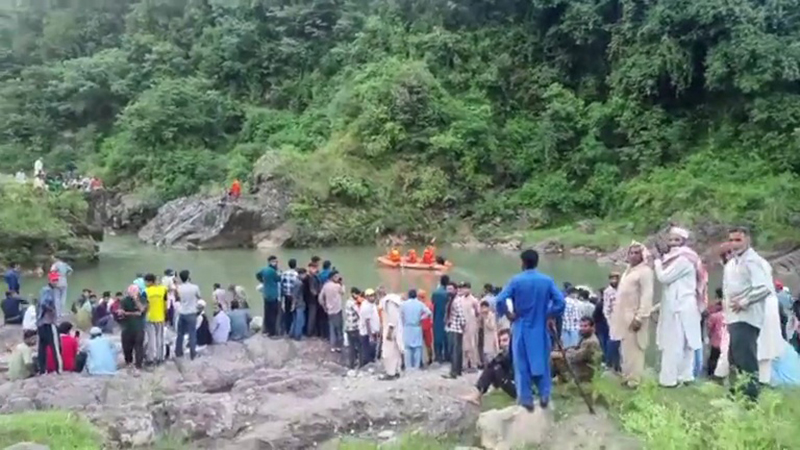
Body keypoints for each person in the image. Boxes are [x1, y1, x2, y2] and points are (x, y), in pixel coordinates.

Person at [494, 249, 566, 411]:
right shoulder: (547, 281)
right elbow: (560, 302)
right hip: (541, 327)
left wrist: (508, 314)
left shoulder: (516, 281)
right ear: (537, 262)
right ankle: (544, 394)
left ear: (523, 263)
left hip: (521, 326)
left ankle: (525, 397)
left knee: (522, 363)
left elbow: (499, 300)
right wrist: (549, 313)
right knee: (542, 361)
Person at [653, 227, 704, 387]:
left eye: (677, 240)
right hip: (679, 304)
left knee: (675, 343)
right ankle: (685, 376)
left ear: (684, 242)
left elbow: (663, 277)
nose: (673, 244)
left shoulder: (684, 259)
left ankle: (669, 380)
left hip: (680, 306)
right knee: (684, 342)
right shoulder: (674, 259)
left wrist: (656, 261)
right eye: (671, 240)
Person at [610, 242, 654, 387]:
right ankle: (626, 376)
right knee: (625, 349)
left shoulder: (645, 271)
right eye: (631, 253)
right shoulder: (628, 271)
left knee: (635, 348)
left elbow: (647, 295)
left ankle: (634, 380)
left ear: (642, 255)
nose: (633, 256)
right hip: (622, 316)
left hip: (635, 316)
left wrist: (639, 317)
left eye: (637, 253)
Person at [463, 329, 515, 405]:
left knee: (495, 368)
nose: (502, 344)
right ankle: (477, 393)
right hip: (512, 382)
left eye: (505, 340)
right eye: (500, 341)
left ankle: (477, 394)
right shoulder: (505, 354)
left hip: (520, 388)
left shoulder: (516, 353)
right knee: (493, 367)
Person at [551, 317, 602, 383]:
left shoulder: (590, 341)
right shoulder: (586, 337)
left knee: (555, 357)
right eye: (581, 326)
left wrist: (562, 353)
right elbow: (576, 348)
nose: (582, 328)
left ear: (592, 327)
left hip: (584, 371)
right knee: (555, 355)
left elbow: (577, 357)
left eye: (585, 326)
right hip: (581, 366)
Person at [37, 272, 62, 374]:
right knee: (55, 346)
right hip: (48, 322)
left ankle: (42, 370)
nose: (56, 282)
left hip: (40, 323)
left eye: (57, 280)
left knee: (42, 347)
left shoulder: (43, 290)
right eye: (54, 280)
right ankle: (58, 369)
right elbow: (44, 304)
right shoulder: (49, 291)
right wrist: (52, 311)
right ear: (50, 280)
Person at [400, 289, 432, 370]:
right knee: (417, 347)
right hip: (417, 326)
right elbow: (429, 313)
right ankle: (416, 366)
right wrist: (421, 318)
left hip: (407, 327)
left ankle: (408, 366)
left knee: (407, 347)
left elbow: (400, 315)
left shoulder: (404, 304)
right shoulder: (420, 304)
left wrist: (403, 321)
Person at [118, 284, 147, 369]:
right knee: (126, 346)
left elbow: (142, 310)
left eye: (134, 291)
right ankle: (129, 362)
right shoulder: (124, 300)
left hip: (139, 327)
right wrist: (133, 313)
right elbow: (121, 312)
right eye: (131, 291)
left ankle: (138, 364)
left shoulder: (142, 299)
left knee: (139, 346)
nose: (132, 293)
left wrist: (135, 300)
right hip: (127, 326)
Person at [175, 270, 201, 360]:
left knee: (180, 334)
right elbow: (199, 297)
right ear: (188, 277)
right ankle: (193, 354)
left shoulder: (178, 288)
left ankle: (178, 352)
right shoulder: (195, 287)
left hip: (182, 312)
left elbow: (177, 298)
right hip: (191, 313)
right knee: (192, 334)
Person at [443, 282, 467, 379]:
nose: (448, 291)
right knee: (456, 350)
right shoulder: (451, 300)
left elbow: (461, 315)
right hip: (452, 327)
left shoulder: (456, 301)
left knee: (454, 351)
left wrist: (463, 326)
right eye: (447, 289)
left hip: (456, 328)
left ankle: (454, 372)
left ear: (455, 290)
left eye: (450, 289)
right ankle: (457, 371)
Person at [145, 274, 168, 364]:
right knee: (159, 338)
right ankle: (160, 358)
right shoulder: (163, 290)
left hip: (149, 318)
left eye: (146, 282)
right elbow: (165, 305)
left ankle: (150, 358)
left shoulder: (145, 291)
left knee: (151, 339)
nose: (145, 283)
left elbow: (145, 305)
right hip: (160, 317)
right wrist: (166, 316)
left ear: (150, 282)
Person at [380, 293, 404, 380]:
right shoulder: (392, 302)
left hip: (391, 330)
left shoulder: (389, 303)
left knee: (389, 352)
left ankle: (391, 373)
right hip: (395, 330)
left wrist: (390, 332)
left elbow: (392, 319)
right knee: (395, 351)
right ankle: (396, 370)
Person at [319, 271, 345, 352]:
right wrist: (342, 284)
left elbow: (320, 298)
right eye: (336, 276)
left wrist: (324, 307)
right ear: (332, 277)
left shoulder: (325, 286)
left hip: (329, 310)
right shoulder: (337, 286)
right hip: (337, 310)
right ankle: (339, 346)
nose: (337, 278)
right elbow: (343, 292)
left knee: (332, 328)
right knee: (339, 329)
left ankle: (332, 346)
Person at [458, 282, 481, 370]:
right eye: (463, 288)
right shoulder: (460, 299)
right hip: (463, 324)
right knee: (464, 345)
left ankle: (473, 364)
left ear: (469, 289)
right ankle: (464, 364)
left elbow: (478, 313)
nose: (464, 290)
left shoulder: (474, 300)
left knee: (472, 344)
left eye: (466, 288)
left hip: (472, 324)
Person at [257, 255, 282, 337]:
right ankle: (273, 332)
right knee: (273, 314)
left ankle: (266, 330)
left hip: (266, 294)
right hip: (273, 295)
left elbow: (257, 275)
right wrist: (279, 273)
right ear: (271, 262)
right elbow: (278, 279)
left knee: (267, 313)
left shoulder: (264, 270)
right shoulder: (273, 271)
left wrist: (262, 281)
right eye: (275, 261)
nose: (276, 263)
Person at [602, 272, 621, 371]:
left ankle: (619, 366)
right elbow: (606, 308)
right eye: (612, 279)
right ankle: (610, 364)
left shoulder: (622, 289)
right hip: (613, 319)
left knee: (620, 343)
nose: (614, 281)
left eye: (616, 279)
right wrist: (610, 321)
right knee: (613, 342)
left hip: (622, 319)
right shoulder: (607, 292)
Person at [359, 288, 380, 366]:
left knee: (372, 351)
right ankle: (366, 367)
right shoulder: (366, 307)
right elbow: (367, 322)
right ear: (367, 297)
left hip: (373, 332)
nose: (372, 297)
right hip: (367, 333)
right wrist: (370, 336)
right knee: (367, 353)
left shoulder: (372, 304)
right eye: (370, 296)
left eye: (373, 295)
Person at [706, 292, 725, 377]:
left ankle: (711, 375)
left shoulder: (714, 316)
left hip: (715, 342)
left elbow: (709, 328)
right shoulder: (728, 316)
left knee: (713, 360)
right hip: (725, 343)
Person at [432, 275, 450, 363]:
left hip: (437, 317)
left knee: (437, 337)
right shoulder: (448, 293)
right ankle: (447, 356)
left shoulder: (436, 293)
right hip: (447, 317)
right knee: (447, 338)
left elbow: (433, 303)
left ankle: (438, 356)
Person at [344, 287, 362, 368]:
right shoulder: (353, 303)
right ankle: (358, 363)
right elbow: (359, 312)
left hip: (348, 327)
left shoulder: (347, 302)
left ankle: (351, 364)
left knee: (351, 346)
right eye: (357, 294)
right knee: (358, 346)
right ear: (353, 294)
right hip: (354, 327)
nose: (358, 296)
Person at [304, 262, 322, 338]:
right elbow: (312, 290)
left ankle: (310, 331)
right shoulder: (310, 278)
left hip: (309, 300)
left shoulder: (313, 277)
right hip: (312, 300)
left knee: (311, 316)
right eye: (314, 268)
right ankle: (309, 333)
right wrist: (318, 294)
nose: (315, 270)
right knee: (312, 317)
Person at [281, 259, 299, 336]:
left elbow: (281, 284)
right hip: (294, 296)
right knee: (294, 313)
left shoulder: (284, 273)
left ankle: (287, 330)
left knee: (287, 312)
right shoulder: (296, 274)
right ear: (295, 265)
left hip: (286, 295)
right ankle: (293, 330)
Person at [289, 268, 307, 340]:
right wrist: (294, 304)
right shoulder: (299, 283)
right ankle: (297, 335)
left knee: (295, 320)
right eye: (304, 274)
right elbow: (295, 295)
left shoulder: (295, 282)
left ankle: (292, 333)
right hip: (299, 303)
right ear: (301, 274)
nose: (305, 276)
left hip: (296, 303)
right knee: (300, 321)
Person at [419, 289, 434, 365]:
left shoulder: (419, 304)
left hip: (422, 326)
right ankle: (429, 358)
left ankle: (425, 359)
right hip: (426, 326)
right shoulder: (429, 304)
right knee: (428, 344)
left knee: (423, 344)